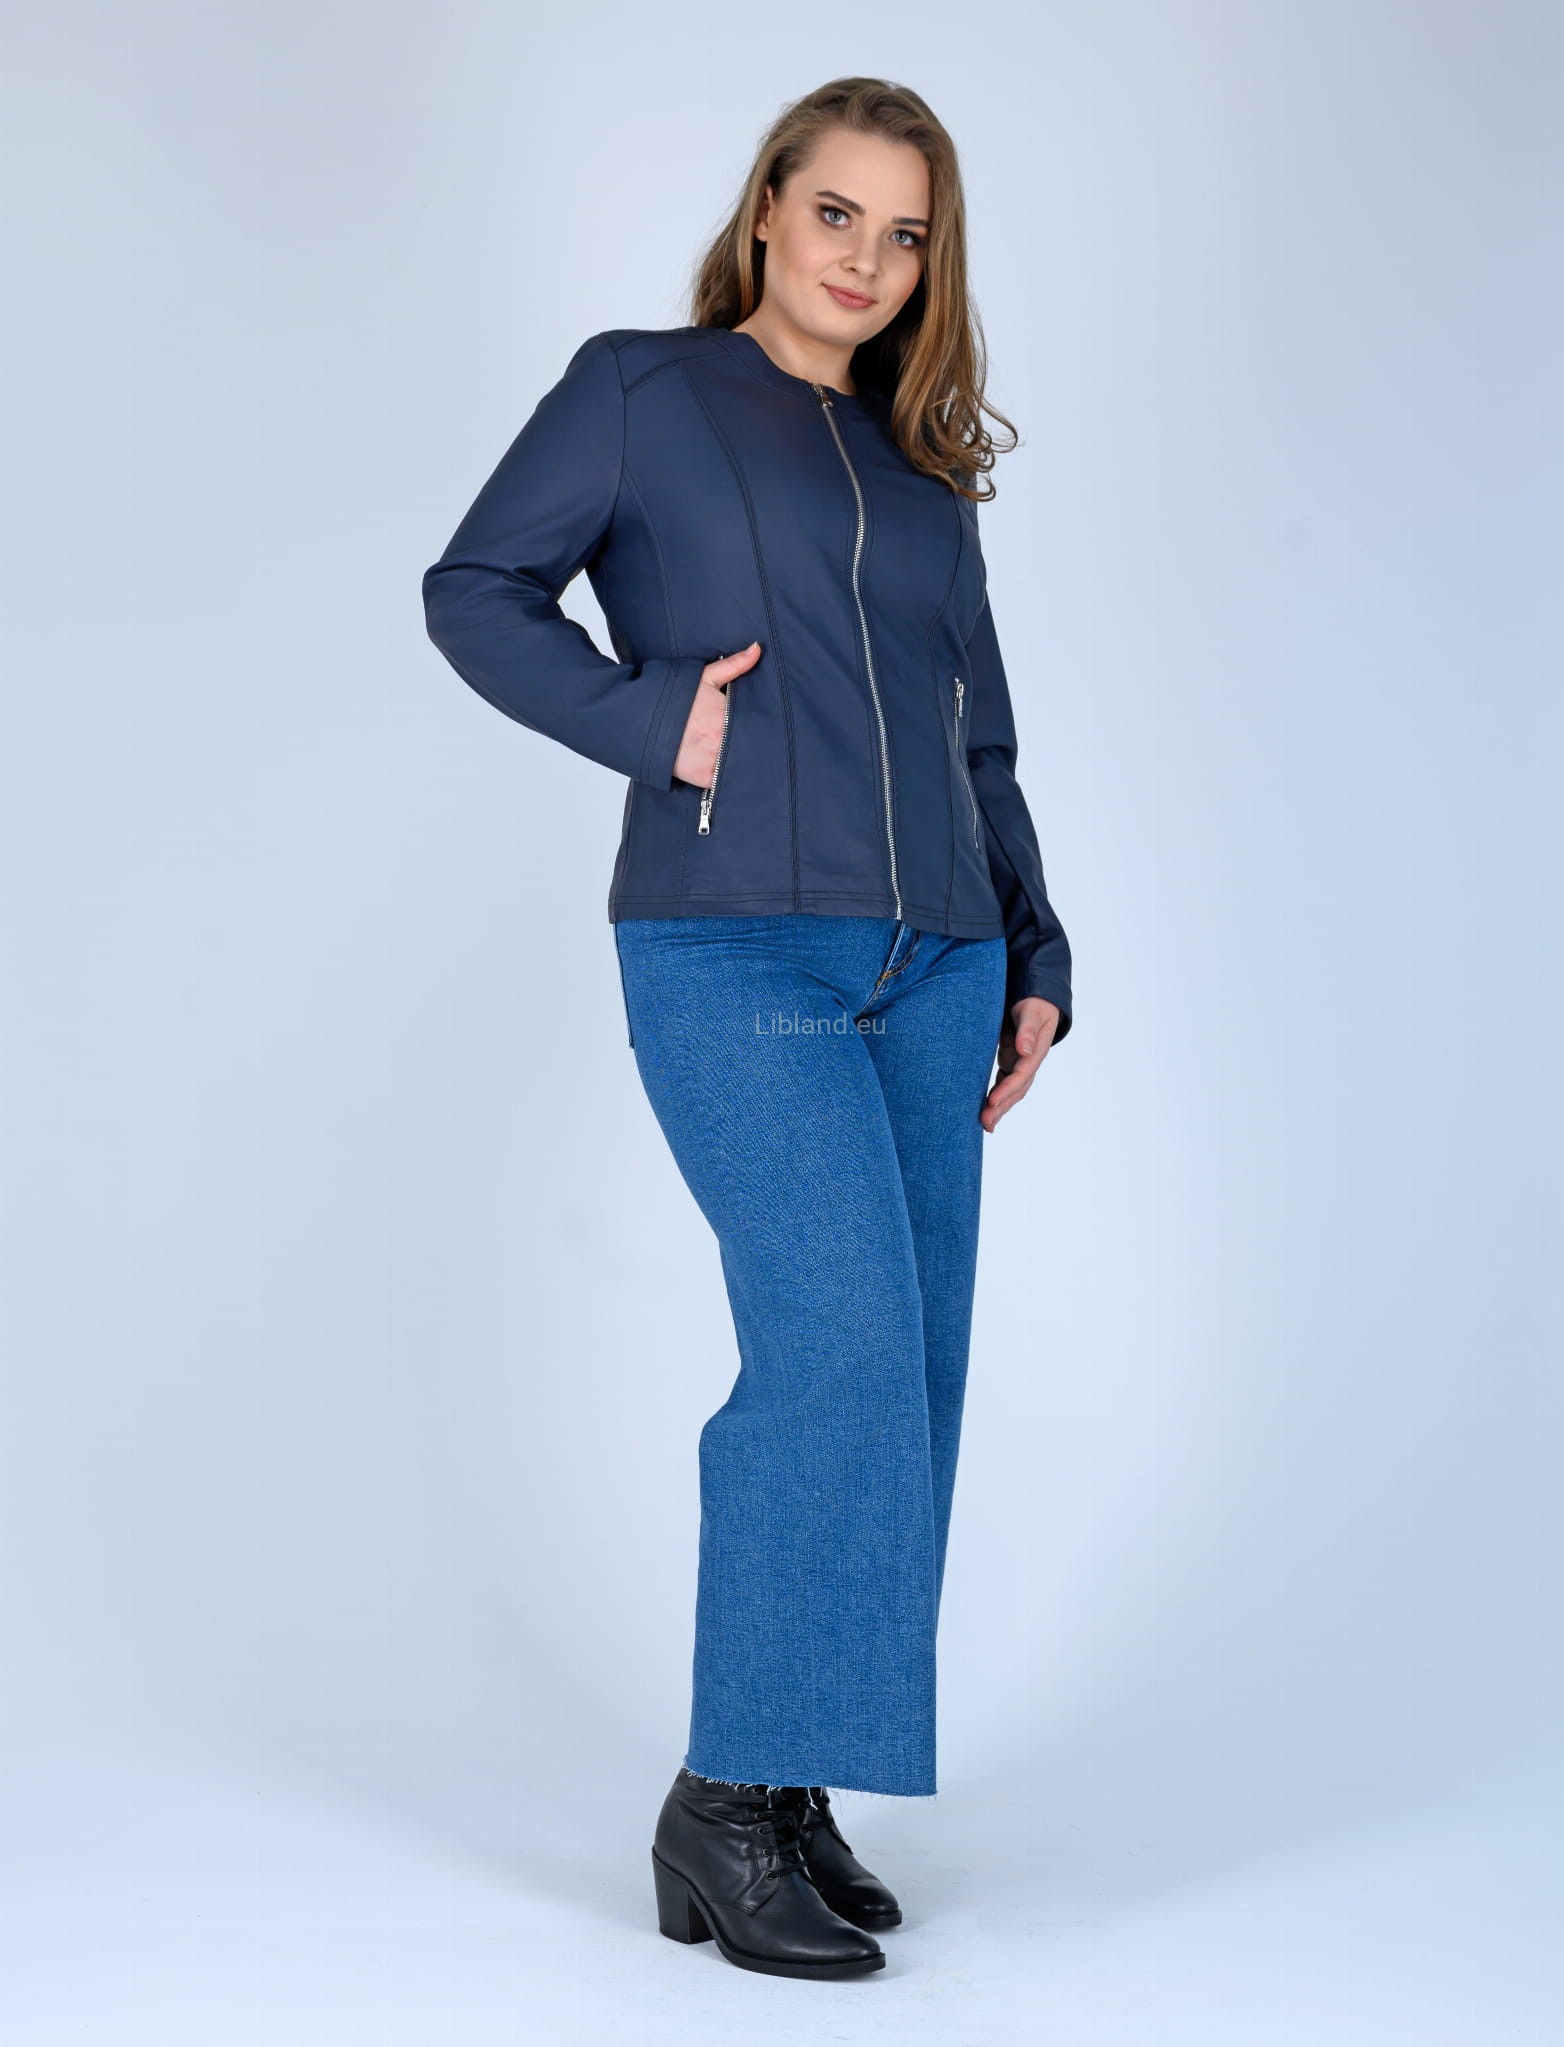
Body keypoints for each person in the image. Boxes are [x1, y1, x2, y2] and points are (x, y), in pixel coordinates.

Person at [421, 75, 1072, 1982]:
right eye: (837, 214)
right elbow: (473, 589)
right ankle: (718, 1805)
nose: (866, 259)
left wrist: (1033, 948)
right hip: (734, 948)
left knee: (912, 1376)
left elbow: (978, 737)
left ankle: (787, 1784)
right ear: (768, 209)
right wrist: (657, 722)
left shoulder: (919, 470)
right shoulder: (640, 391)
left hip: (936, 961)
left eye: (906, 234)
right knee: (835, 1354)